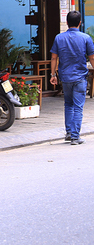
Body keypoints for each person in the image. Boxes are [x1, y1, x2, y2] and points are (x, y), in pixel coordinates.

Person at [50, 10, 94, 145]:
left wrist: (53, 75)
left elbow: (54, 57)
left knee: (68, 105)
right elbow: (92, 57)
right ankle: (75, 136)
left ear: (67, 23)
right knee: (78, 107)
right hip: (80, 77)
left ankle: (69, 133)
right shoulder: (86, 38)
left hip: (65, 77)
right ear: (80, 23)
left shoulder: (59, 38)